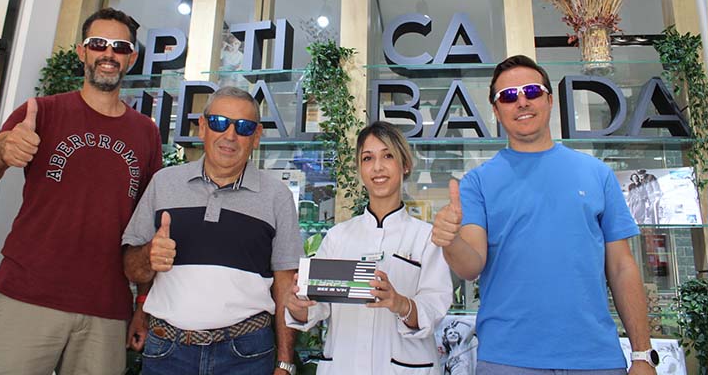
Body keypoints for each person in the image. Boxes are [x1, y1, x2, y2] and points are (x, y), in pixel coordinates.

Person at [431, 55, 656, 374]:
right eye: (508, 96)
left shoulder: (596, 174)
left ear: (549, 100)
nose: (521, 101)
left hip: (595, 359)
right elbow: (471, 265)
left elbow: (622, 268)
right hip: (508, 359)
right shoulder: (477, 183)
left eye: (532, 91)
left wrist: (642, 354)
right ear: (496, 111)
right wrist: (450, 240)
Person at [0, 8, 162, 374]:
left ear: (132, 58)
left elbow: (146, 226)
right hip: (26, 297)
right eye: (98, 44)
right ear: (82, 52)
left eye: (120, 47)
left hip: (106, 310)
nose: (109, 53)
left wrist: (142, 306)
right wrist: (2, 150)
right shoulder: (41, 111)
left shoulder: (146, 132)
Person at [122, 86, 303, 375]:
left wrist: (285, 362)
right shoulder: (163, 183)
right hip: (168, 352)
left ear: (256, 137)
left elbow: (285, 284)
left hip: (247, 354)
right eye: (219, 123)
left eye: (243, 127)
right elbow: (132, 268)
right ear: (203, 128)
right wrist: (148, 256)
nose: (230, 135)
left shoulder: (276, 196)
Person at [285, 121, 453, 374]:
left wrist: (400, 304)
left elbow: (435, 306)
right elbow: (318, 307)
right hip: (343, 365)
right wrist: (298, 306)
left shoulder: (426, 237)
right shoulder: (337, 237)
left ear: (405, 165)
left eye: (388, 156)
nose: (377, 167)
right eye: (367, 158)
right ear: (360, 169)